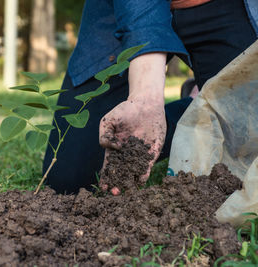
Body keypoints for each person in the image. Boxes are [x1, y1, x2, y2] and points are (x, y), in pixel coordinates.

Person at [43, 0, 258, 195]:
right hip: (127, 9)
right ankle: (195, 105)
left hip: (228, 7)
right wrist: (145, 100)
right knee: (70, 182)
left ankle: (205, 102)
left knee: (247, 154)